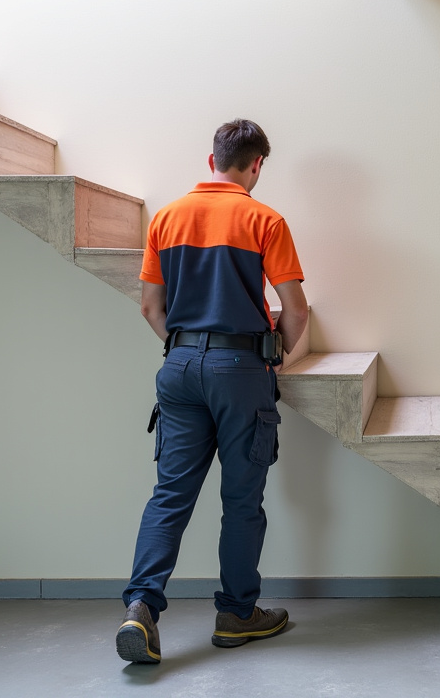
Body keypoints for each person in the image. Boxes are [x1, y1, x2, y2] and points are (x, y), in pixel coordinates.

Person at [115, 119, 308, 664]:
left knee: (170, 495)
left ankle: (140, 610)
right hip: (240, 370)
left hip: (177, 367)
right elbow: (294, 309)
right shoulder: (263, 218)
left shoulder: (167, 218)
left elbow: (151, 307)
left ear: (211, 160)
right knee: (241, 500)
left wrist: (184, 348)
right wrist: (274, 358)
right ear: (256, 166)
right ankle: (237, 614)